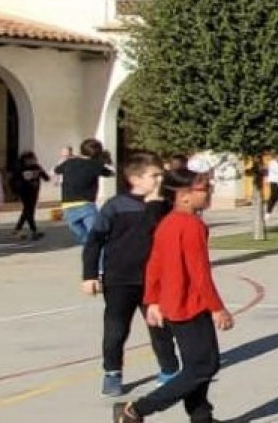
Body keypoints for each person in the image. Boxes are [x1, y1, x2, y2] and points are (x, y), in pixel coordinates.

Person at [113, 169, 233, 423]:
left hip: (173, 304)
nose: (209, 192)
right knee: (204, 366)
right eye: (204, 188)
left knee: (196, 365)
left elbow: (153, 265)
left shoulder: (168, 223)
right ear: (183, 195)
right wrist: (217, 307)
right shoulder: (190, 225)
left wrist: (153, 300)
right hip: (190, 305)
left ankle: (201, 417)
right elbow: (199, 272)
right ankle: (136, 410)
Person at [84, 153, 181, 398]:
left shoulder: (165, 205)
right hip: (120, 279)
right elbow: (95, 240)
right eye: (154, 175)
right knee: (116, 330)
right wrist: (89, 274)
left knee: (160, 327)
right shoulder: (116, 205)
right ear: (135, 179)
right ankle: (112, 372)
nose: (160, 180)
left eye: (161, 175)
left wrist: (156, 204)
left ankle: (169, 370)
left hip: (154, 280)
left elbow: (162, 233)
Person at [55, 138, 114, 244]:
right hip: (86, 205)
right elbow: (111, 173)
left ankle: (91, 252)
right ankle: (100, 253)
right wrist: (107, 161)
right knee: (96, 238)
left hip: (68, 206)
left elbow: (56, 170)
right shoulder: (95, 165)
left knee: (85, 239)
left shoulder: (69, 162)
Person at [10, 150, 50, 241]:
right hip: (24, 192)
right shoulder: (20, 168)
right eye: (29, 160)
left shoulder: (37, 167)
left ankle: (17, 230)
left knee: (27, 211)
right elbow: (13, 180)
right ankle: (34, 231)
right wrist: (15, 191)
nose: (31, 161)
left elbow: (46, 178)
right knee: (28, 211)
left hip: (34, 192)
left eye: (33, 159)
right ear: (24, 160)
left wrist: (40, 172)